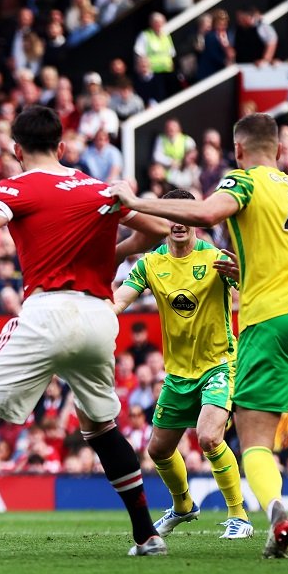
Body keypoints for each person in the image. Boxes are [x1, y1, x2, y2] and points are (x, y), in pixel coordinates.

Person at [105, 113, 288, 558]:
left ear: (239, 151)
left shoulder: (243, 182)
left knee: (255, 438)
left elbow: (207, 212)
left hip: (269, 318)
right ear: (281, 151)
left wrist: (136, 200)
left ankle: (275, 512)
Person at [0, 105, 172, 559]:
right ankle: (147, 535)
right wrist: (112, 255)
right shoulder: (97, 189)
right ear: (63, 146)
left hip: (47, 311)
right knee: (101, 427)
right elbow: (155, 229)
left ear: (16, 150)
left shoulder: (16, 186)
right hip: (99, 316)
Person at [111, 189, 253, 540]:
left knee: (208, 436)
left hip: (219, 364)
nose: (178, 223)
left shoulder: (215, 257)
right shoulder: (150, 263)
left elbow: (250, 291)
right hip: (177, 373)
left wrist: (241, 274)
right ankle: (184, 505)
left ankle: (240, 516)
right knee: (158, 450)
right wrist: (93, 315)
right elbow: (120, 300)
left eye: (185, 215)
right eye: (171, 216)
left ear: (194, 219)